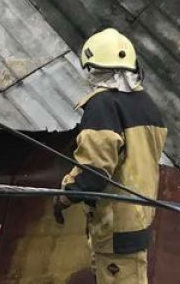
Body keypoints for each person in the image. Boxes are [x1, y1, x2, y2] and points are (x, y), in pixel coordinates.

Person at [52, 28, 167, 284]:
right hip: (138, 216)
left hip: (115, 223)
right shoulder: (147, 106)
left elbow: (94, 172)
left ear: (94, 67)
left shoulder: (103, 105)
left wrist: (64, 195)